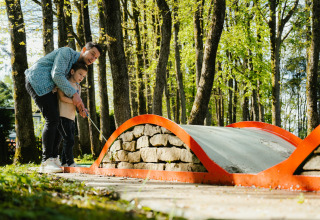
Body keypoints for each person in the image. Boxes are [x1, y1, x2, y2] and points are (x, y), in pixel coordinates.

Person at [25, 42, 102, 173]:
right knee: (53, 119)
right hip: (38, 82)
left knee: (59, 120)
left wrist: (80, 105)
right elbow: (57, 75)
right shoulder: (67, 53)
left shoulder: (76, 66)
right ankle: (46, 161)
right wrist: (74, 95)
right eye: (92, 54)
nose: (93, 59)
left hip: (51, 89)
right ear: (84, 49)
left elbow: (68, 86)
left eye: (96, 58)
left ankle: (54, 158)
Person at [56, 62, 87, 168]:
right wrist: (74, 102)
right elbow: (62, 98)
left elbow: (78, 103)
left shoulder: (78, 87)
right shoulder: (64, 83)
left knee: (69, 140)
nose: (81, 77)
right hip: (62, 116)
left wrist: (82, 109)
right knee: (69, 139)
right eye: (80, 74)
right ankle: (70, 162)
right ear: (72, 71)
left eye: (83, 76)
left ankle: (64, 162)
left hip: (71, 117)